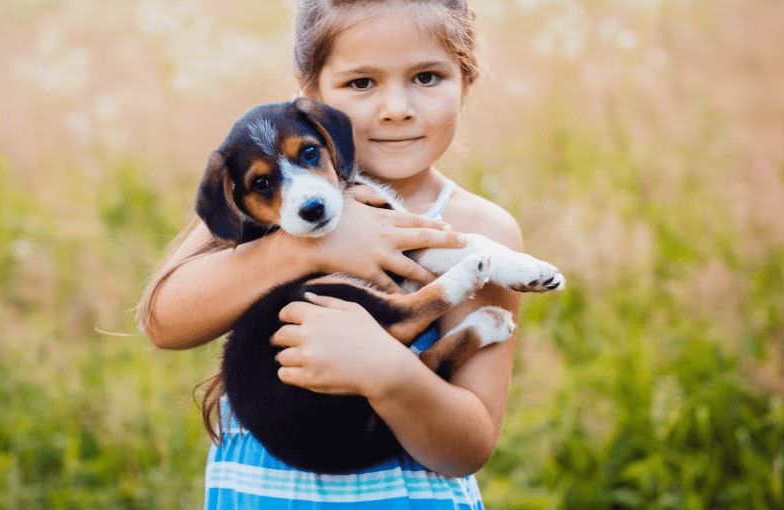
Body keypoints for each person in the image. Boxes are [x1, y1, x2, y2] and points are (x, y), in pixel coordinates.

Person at [137, 0, 525, 507]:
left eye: (428, 77)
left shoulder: (478, 230)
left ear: (466, 79)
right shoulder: (268, 201)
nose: (397, 108)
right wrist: (303, 251)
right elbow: (165, 322)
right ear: (311, 93)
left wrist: (388, 371)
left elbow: (468, 448)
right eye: (361, 83)